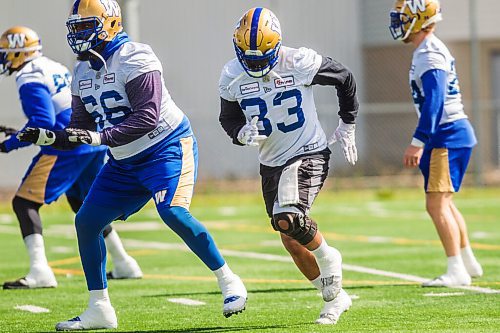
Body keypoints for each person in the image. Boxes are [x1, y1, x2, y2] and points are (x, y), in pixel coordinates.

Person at [18, 0, 247, 330]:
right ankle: (100, 308)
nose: (79, 34)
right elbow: (78, 130)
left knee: (172, 211)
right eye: (75, 28)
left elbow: (147, 116)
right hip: (124, 160)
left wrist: (99, 138)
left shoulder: (135, 56)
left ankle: (229, 281)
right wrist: (48, 137)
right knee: (87, 221)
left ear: (110, 24)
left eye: (86, 26)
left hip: (165, 147)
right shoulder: (82, 72)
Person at [219, 7, 358, 325]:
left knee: (288, 218)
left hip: (308, 153)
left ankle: (328, 256)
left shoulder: (298, 61)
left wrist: (347, 123)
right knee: (290, 238)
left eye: (260, 56)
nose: (254, 62)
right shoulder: (230, 75)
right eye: (247, 56)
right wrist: (241, 134)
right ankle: (336, 299)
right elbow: (229, 118)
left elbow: (344, 78)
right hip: (271, 161)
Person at [0, 26, 142, 290]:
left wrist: (8, 145)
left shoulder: (28, 76)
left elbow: (43, 121)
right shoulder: (51, 66)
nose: (4, 60)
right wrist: (17, 134)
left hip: (67, 144)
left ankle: (39, 270)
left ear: (19, 53)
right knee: (82, 202)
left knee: (24, 203)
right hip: (91, 138)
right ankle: (124, 262)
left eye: (7, 54)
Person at [389, 0, 483, 287]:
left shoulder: (429, 53)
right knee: (445, 203)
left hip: (446, 134)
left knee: (436, 204)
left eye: (403, 17)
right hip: (449, 133)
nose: (398, 22)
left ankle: (456, 270)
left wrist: (418, 141)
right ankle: (467, 262)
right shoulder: (427, 50)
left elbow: (435, 102)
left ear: (418, 19)